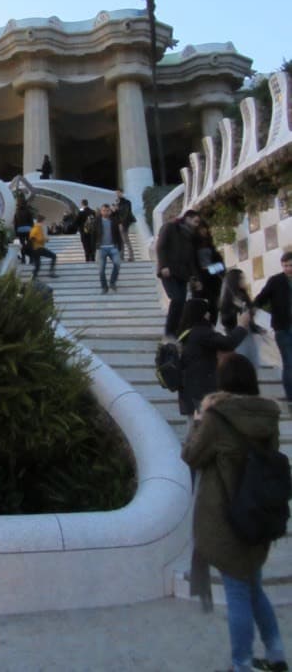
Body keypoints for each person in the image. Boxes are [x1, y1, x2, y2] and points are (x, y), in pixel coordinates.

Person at [181, 354, 287, 672]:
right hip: (259, 510)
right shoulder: (268, 417)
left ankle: (241, 662)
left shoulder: (217, 417)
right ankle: (276, 652)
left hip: (227, 515)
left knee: (238, 590)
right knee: (252, 585)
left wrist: (199, 420)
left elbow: (190, 455)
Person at [178, 298, 249, 420]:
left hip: (189, 390)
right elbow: (228, 343)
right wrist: (242, 326)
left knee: (195, 428)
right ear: (199, 313)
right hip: (201, 390)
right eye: (206, 311)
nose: (209, 314)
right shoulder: (201, 332)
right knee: (203, 428)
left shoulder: (186, 332)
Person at [156, 208, 202, 338]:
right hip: (168, 272)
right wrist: (164, 265)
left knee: (181, 303)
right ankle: (169, 332)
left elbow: (191, 259)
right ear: (187, 218)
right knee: (176, 299)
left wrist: (196, 278)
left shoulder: (190, 236)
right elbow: (161, 246)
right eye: (195, 221)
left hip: (182, 275)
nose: (196, 225)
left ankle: (177, 331)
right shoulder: (170, 227)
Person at [254, 251, 292, 410]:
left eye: (290, 265)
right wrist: (250, 309)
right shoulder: (276, 281)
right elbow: (261, 298)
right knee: (289, 363)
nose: (288, 268)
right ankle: (291, 399)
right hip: (283, 328)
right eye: (285, 266)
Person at [220, 268, 265, 370]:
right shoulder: (228, 299)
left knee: (253, 364)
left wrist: (256, 327)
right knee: (243, 364)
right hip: (237, 335)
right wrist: (235, 309)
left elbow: (249, 316)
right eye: (241, 278)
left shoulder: (244, 296)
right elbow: (225, 321)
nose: (244, 281)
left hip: (248, 334)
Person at [195, 219, 225, 326]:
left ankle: (212, 327)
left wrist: (210, 269)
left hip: (213, 279)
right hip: (201, 279)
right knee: (202, 306)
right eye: (200, 229)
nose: (203, 231)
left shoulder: (210, 245)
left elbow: (221, 265)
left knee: (213, 305)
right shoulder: (193, 246)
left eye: (204, 229)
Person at [94, 203, 122, 294]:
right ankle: (104, 287)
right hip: (101, 248)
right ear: (101, 211)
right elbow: (93, 235)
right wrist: (94, 247)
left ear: (109, 211)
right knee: (101, 269)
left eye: (107, 210)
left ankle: (112, 282)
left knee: (117, 263)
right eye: (103, 210)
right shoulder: (97, 221)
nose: (105, 212)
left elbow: (118, 234)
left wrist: (120, 246)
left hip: (113, 247)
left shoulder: (114, 220)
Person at [29, 214, 57, 279]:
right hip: (39, 248)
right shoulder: (38, 228)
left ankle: (33, 276)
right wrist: (45, 239)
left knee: (38, 265)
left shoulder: (34, 228)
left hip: (34, 249)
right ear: (42, 221)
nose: (44, 222)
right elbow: (35, 237)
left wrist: (43, 239)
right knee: (54, 256)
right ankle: (51, 272)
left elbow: (32, 237)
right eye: (43, 221)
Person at [115, 189, 136, 261]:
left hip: (124, 223)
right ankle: (121, 256)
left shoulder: (126, 202)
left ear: (122, 193)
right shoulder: (118, 202)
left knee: (125, 240)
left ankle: (131, 256)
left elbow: (126, 213)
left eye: (118, 193)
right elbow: (117, 214)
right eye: (116, 193)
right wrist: (116, 210)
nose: (117, 194)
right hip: (120, 223)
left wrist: (122, 223)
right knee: (121, 240)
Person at [13, 195, 34, 264]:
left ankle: (23, 259)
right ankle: (31, 259)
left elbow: (15, 223)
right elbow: (31, 222)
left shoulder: (17, 212)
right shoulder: (28, 211)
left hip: (20, 230)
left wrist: (16, 232)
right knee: (30, 245)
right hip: (28, 229)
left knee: (23, 245)